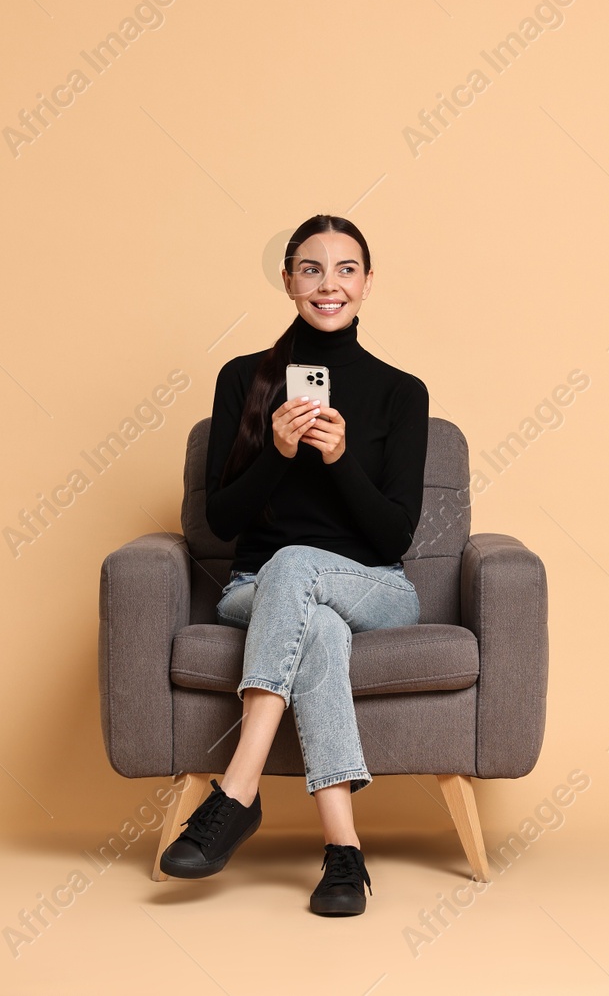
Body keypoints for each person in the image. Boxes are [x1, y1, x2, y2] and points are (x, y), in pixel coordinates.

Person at [159, 214, 430, 918]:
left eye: (346, 269)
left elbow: (394, 533)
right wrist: (276, 456)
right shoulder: (243, 379)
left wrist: (339, 461)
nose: (328, 284)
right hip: (256, 590)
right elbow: (217, 523)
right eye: (312, 268)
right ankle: (344, 853)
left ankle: (236, 791)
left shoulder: (403, 392)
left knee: (300, 564)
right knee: (319, 629)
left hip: (376, 587)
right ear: (288, 281)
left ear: (367, 284)